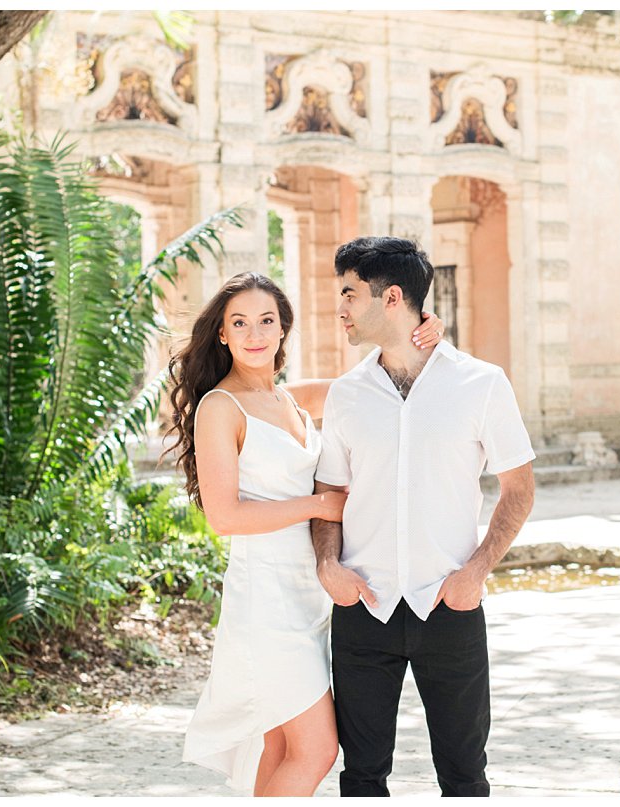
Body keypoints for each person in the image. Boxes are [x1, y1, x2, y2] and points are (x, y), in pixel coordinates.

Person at [166, 271, 442, 796]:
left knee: (278, 749)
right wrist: (319, 504)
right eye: (239, 323)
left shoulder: (290, 399)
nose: (254, 334)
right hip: (264, 601)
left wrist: (423, 330)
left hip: (309, 597)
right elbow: (225, 517)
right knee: (317, 749)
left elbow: (383, 383)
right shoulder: (219, 408)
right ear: (222, 334)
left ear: (283, 329)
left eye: (266, 320)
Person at [312, 236, 537, 797]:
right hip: (364, 607)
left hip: (450, 603)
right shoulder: (345, 394)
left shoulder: (481, 384)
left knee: (464, 777)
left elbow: (520, 488)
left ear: (392, 298)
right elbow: (329, 492)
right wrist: (327, 566)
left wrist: (477, 573)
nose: (339, 307)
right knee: (361, 776)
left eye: (349, 293)